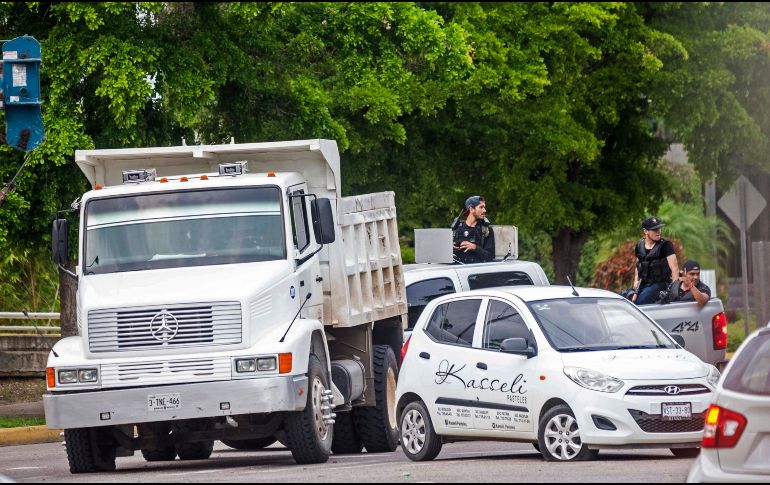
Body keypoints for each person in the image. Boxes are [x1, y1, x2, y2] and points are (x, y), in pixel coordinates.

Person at [631, 216, 679, 305]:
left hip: (661, 284)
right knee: (624, 297)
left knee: (640, 302)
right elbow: (638, 265)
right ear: (645, 231)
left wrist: (673, 291)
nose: (658, 231)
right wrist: (635, 282)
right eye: (655, 229)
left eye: (659, 228)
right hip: (643, 284)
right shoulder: (639, 245)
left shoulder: (666, 245)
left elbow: (674, 269)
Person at [451, 195, 495, 264]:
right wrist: (449, 248)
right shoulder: (456, 228)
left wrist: (475, 247)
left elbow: (490, 256)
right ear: (471, 209)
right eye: (481, 207)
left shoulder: (486, 229)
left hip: (476, 272)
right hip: (457, 271)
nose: (484, 210)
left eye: (484, 207)